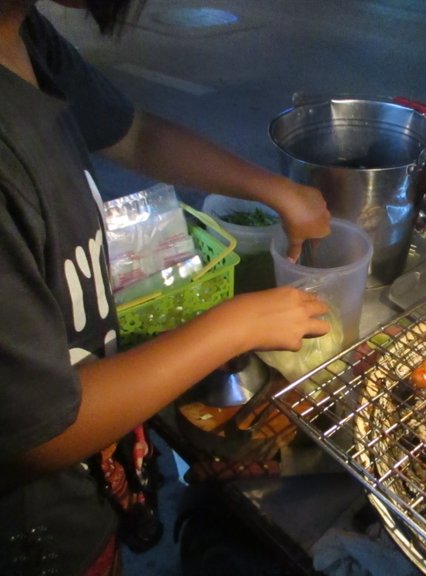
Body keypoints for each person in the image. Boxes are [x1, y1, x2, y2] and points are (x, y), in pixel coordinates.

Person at [0, 0, 332, 574]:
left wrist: (273, 189)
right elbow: (37, 433)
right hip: (35, 537)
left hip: (92, 484)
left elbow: (134, 134)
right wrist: (235, 325)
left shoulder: (25, 35)